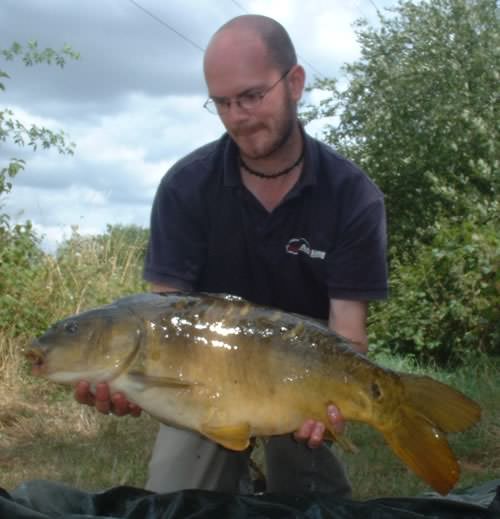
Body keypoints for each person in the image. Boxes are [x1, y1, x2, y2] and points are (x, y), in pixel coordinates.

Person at [75, 14, 388, 497]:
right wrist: (128, 382)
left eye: (252, 96)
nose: (238, 115)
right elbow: (162, 323)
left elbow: (348, 336)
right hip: (202, 382)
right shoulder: (185, 187)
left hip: (298, 375)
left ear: (295, 83)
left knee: (313, 496)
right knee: (179, 494)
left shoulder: (352, 195)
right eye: (222, 102)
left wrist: (329, 409)